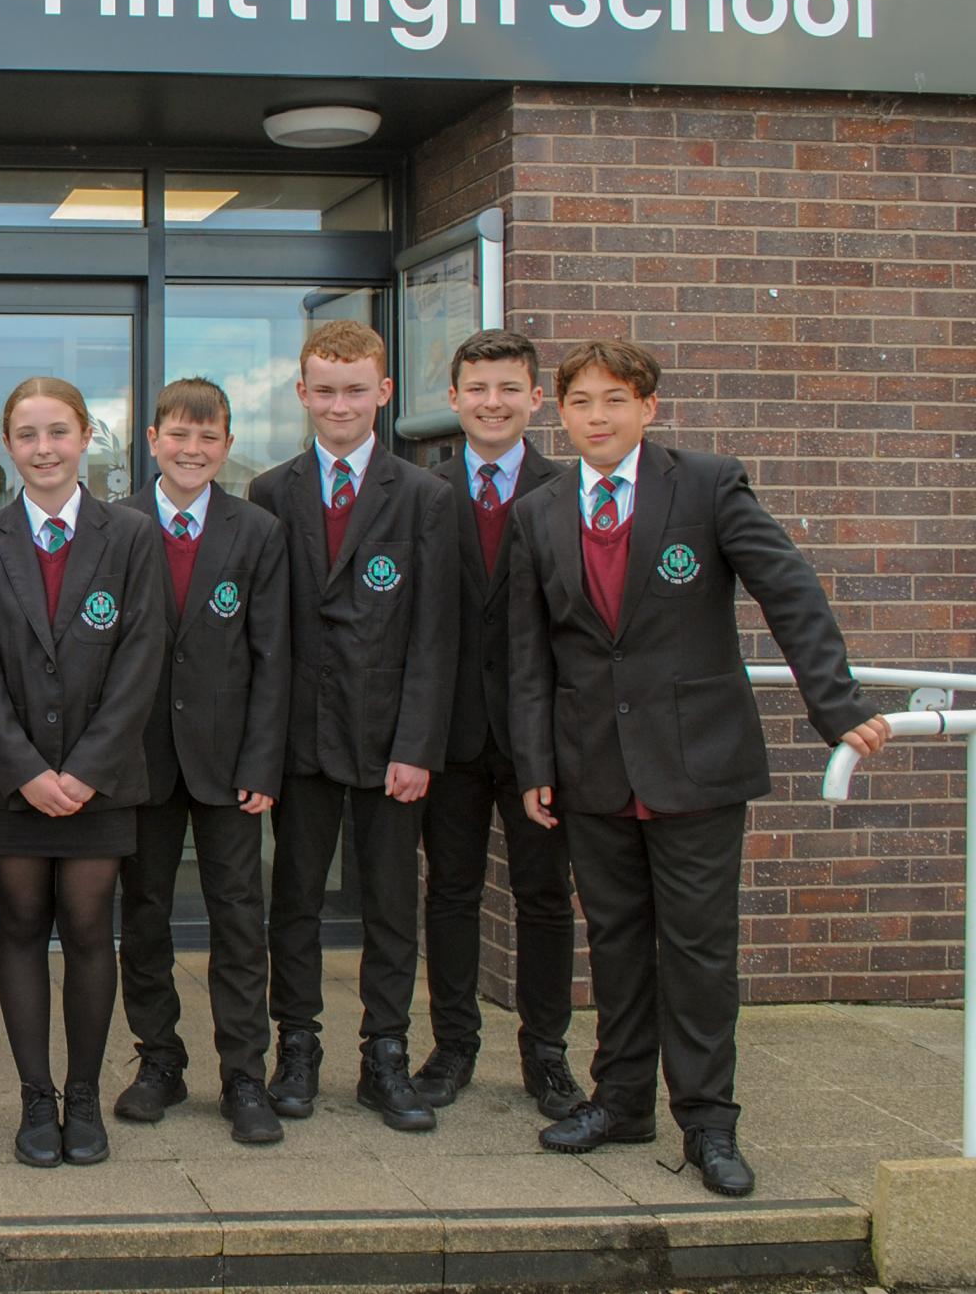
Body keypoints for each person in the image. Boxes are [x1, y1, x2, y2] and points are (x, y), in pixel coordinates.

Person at [505, 338, 890, 1197]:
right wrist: (535, 759)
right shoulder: (540, 511)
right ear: (558, 413)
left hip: (697, 765)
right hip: (592, 766)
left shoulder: (708, 484)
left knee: (699, 953)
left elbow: (788, 588)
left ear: (648, 406)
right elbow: (529, 652)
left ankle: (710, 1123)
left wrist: (839, 706)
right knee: (614, 944)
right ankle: (624, 1099)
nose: (596, 417)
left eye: (614, 400)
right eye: (580, 403)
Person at [245, 319, 457, 1132]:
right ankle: (295, 1049)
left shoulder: (426, 498)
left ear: (384, 392)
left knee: (392, 906)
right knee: (293, 902)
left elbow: (436, 635)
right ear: (302, 394)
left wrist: (417, 745)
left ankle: (386, 1055)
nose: (340, 404)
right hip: (299, 742)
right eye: (324, 390)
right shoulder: (271, 492)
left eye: (355, 389)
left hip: (386, 743)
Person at [0, 376, 165, 1168]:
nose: (44, 449)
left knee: (86, 927)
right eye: (27, 435)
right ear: (7, 447)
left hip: (100, 780)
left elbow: (141, 659)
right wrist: (26, 770)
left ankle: (83, 1096)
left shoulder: (130, 534)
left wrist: (84, 769)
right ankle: (35, 1096)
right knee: (19, 923)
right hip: (13, 780)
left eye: (58, 432)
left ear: (86, 438)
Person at [112, 377, 290, 1145]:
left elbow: (272, 655)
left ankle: (245, 1072)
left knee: (239, 920)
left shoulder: (256, 530)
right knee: (144, 915)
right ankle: (160, 1059)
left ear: (226, 444)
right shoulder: (114, 526)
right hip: (139, 762)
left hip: (228, 766)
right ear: (152, 439)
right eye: (178, 435)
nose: (192, 450)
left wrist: (263, 761)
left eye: (208, 437)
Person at [413, 330, 582, 1119]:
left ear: (535, 399)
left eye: (508, 388)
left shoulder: (571, 489)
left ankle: (546, 1053)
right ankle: (452, 1046)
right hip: (448, 735)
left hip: (539, 739)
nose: (491, 402)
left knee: (544, 896)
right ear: (454, 399)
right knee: (449, 891)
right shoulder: (425, 493)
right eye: (477, 388)